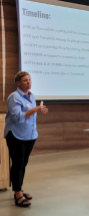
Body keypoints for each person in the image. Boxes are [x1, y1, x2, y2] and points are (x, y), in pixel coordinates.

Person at [4, 72, 48, 207]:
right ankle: (17, 194)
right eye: (25, 80)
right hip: (16, 135)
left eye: (29, 80)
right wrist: (35, 109)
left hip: (29, 135)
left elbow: (31, 117)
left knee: (23, 163)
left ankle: (20, 189)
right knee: (17, 163)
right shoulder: (14, 97)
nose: (29, 82)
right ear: (18, 83)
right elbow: (18, 117)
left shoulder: (32, 95)